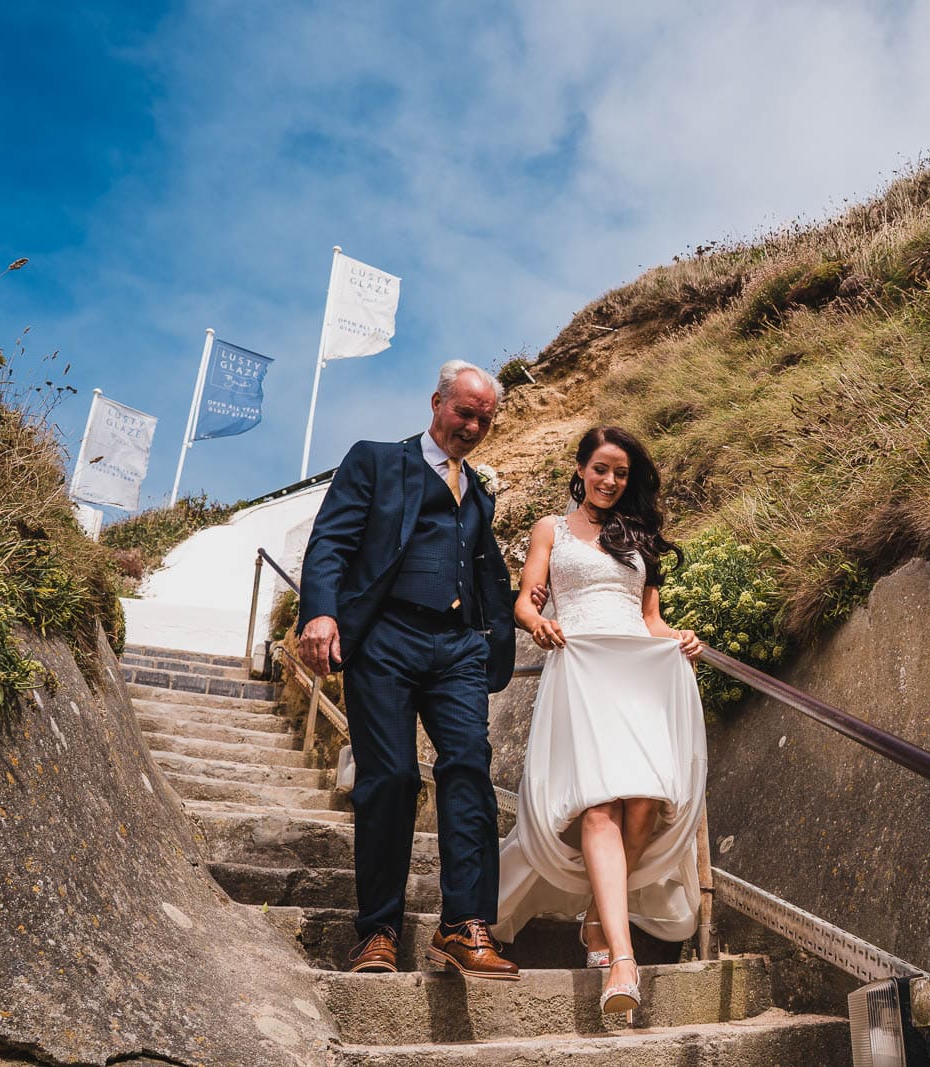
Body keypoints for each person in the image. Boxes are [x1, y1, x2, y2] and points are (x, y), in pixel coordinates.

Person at [297, 360, 522, 979]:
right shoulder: (375, 460)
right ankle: (378, 932)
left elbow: (478, 567)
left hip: (457, 649)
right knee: (391, 778)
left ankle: (463, 926)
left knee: (470, 768)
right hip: (386, 637)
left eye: (484, 418)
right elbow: (331, 542)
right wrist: (320, 613)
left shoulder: (479, 490)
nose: (473, 425)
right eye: (464, 411)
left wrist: (501, 625)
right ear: (436, 403)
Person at [494, 425, 706, 1017]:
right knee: (599, 805)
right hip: (582, 667)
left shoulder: (639, 536)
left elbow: (651, 619)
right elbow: (525, 598)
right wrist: (537, 624)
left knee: (645, 802)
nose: (611, 481)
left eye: (621, 473)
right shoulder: (550, 530)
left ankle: (594, 918)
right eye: (601, 469)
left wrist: (679, 637)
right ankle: (622, 957)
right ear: (581, 468)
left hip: (637, 670)